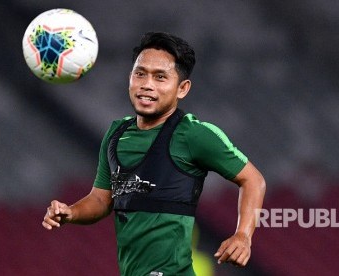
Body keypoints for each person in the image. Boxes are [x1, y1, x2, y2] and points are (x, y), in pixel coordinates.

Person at [42, 32, 266, 276]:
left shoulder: (194, 134)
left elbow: (253, 180)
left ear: (182, 88)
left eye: (160, 77)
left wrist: (243, 235)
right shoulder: (116, 133)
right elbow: (100, 200)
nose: (146, 84)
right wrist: (71, 212)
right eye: (140, 73)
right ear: (130, 78)